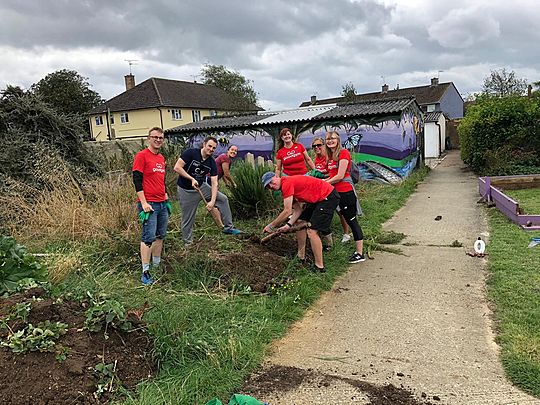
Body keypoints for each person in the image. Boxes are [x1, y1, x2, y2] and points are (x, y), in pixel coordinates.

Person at [261, 172, 340, 273]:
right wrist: (288, 225)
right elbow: (298, 210)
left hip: (328, 196)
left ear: (277, 176)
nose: (271, 186)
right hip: (317, 200)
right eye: (268, 186)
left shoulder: (287, 183)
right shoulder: (286, 187)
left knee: (312, 231)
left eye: (271, 182)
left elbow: (287, 211)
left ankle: (319, 266)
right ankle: (301, 256)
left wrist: (271, 226)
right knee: (299, 222)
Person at [174, 136, 241, 245]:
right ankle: (188, 243)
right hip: (186, 190)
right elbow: (177, 167)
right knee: (188, 218)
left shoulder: (211, 162)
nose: (211, 149)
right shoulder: (191, 153)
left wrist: (212, 201)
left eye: (214, 148)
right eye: (209, 146)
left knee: (223, 199)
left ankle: (228, 227)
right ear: (204, 145)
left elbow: (214, 183)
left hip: (202, 187)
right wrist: (191, 178)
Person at [132, 127, 170, 285]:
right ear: (149, 138)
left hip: (162, 203)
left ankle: (156, 265)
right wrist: (144, 202)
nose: (158, 140)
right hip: (149, 204)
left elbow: (161, 180)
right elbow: (137, 179)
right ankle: (145, 271)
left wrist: (166, 197)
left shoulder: (161, 158)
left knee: (160, 236)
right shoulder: (142, 156)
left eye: (161, 137)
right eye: (155, 137)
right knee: (148, 237)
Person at [324, 130, 366, 263]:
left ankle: (359, 253)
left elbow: (340, 175)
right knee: (345, 219)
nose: (330, 141)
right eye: (328, 139)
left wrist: (324, 183)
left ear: (338, 140)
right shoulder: (330, 157)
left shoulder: (343, 153)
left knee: (352, 221)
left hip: (346, 192)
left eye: (333, 139)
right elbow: (331, 175)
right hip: (336, 194)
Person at [311, 136, 352, 245]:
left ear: (324, 145)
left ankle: (346, 233)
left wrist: (324, 178)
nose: (316, 147)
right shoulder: (316, 159)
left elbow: (334, 172)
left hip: (334, 186)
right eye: (314, 146)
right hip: (323, 188)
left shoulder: (328, 156)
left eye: (319, 145)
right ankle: (325, 234)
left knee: (340, 211)